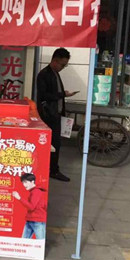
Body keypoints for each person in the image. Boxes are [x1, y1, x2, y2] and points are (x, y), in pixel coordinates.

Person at [36, 48, 78, 182]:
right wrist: (62, 94)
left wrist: (63, 94)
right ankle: (52, 170)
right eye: (62, 64)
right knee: (53, 143)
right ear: (55, 61)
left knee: (56, 143)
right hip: (49, 115)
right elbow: (44, 95)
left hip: (56, 113)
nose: (63, 67)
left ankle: (52, 168)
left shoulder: (54, 73)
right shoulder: (44, 74)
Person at [12, 173, 47, 240]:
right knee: (25, 241)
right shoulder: (35, 191)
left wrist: (19, 198)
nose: (24, 185)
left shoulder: (36, 191)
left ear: (32, 182)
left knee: (39, 241)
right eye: (23, 183)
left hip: (37, 221)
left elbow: (31, 207)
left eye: (26, 182)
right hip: (31, 219)